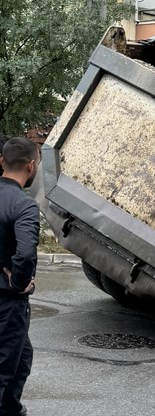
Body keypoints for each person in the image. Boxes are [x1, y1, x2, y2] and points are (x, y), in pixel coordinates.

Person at [0, 138, 40, 416]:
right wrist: (19, 283)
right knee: (4, 368)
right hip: (7, 301)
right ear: (32, 165)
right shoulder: (24, 205)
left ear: (1, 161)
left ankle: (12, 410)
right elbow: (25, 255)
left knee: (22, 357)